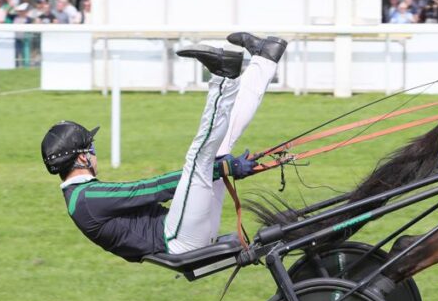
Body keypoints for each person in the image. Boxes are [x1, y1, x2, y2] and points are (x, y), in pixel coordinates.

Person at [42, 33, 288, 262]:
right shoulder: (87, 198)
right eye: (91, 148)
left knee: (217, 147)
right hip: (178, 241)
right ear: (82, 158)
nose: (96, 153)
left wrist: (223, 167)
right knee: (198, 159)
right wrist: (224, 169)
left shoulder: (81, 197)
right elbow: (152, 189)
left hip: (185, 233)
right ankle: (223, 78)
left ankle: (265, 58)